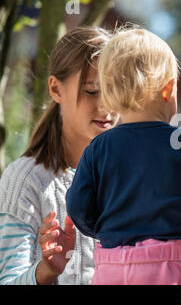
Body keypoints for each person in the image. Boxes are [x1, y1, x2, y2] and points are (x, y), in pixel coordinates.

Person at [65, 28, 181, 285]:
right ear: (168, 90)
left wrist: (108, 231)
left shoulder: (97, 148)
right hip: (164, 267)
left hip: (109, 267)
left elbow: (77, 207)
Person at [0, 27, 119, 285]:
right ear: (56, 88)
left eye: (114, 91)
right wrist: (45, 271)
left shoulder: (126, 178)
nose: (107, 106)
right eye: (91, 90)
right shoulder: (24, 179)